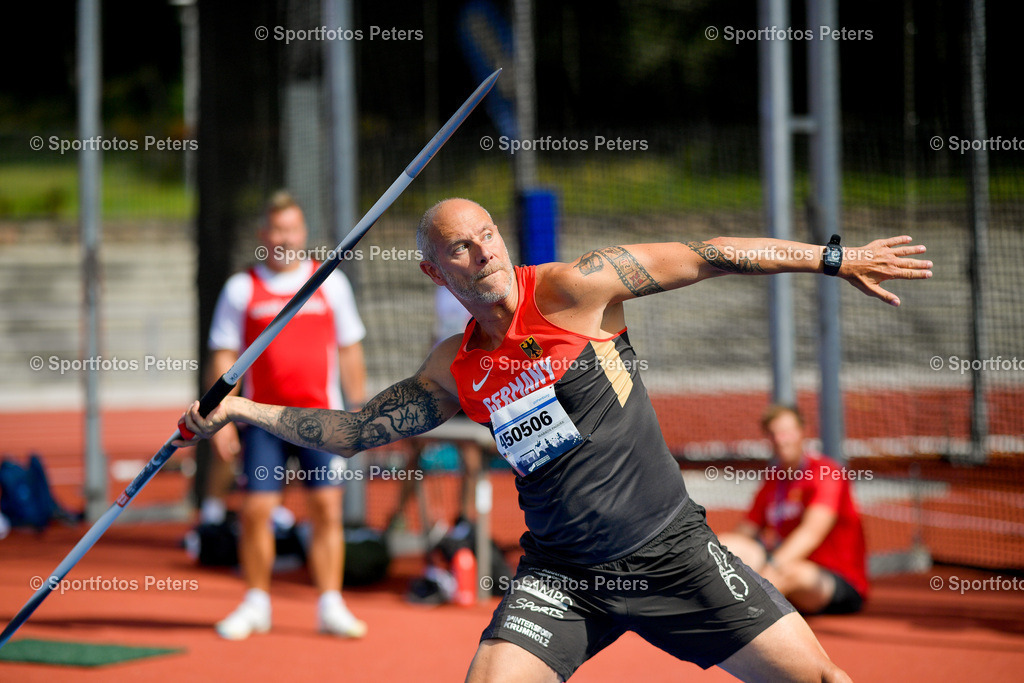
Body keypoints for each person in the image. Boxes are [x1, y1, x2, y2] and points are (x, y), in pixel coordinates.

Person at [178, 197, 932, 680]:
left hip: (671, 550)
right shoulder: (455, 365)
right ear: (432, 270)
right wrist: (242, 410)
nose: (485, 253)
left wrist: (835, 258)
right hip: (560, 575)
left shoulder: (577, 289)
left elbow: (710, 253)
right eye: (462, 249)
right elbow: (351, 429)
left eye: (488, 236)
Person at [203, 191, 368, 640]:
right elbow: (223, 356)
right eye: (276, 230)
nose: (284, 238)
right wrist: (220, 416)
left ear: (303, 234)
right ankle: (256, 602)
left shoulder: (329, 282)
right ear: (264, 235)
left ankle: (330, 604)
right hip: (262, 421)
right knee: (257, 509)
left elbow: (350, 351)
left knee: (327, 507)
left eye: (292, 229)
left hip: (320, 419)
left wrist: (357, 416)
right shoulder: (241, 289)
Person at [717, 405, 869, 615]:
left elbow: (811, 533)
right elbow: (746, 530)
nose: (781, 439)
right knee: (727, 545)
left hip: (834, 579)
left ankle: (735, 619)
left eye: (786, 432)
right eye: (773, 434)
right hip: (781, 566)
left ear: (801, 432)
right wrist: (721, 554)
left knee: (790, 572)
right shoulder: (773, 480)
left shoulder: (826, 472)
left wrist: (771, 565)